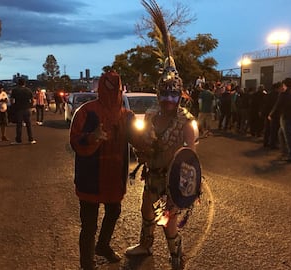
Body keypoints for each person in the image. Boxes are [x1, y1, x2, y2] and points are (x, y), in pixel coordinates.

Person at [125, 1, 197, 269]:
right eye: (164, 92)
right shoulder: (153, 114)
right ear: (158, 92)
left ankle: (176, 258)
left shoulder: (187, 122)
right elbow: (144, 140)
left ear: (180, 94)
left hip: (173, 181)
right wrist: (142, 148)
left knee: (169, 221)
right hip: (152, 175)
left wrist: (179, 189)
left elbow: (190, 159)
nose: (169, 98)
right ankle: (145, 245)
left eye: (173, 93)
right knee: (146, 211)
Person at [70, 70, 135, 270]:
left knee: (113, 211)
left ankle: (103, 246)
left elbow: (138, 140)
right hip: (91, 176)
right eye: (109, 85)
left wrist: (151, 140)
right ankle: (86, 263)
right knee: (89, 225)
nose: (112, 90)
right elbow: (75, 140)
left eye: (116, 86)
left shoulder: (126, 115)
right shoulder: (86, 111)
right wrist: (92, 137)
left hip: (114, 175)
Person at [268, 78, 291, 163]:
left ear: (285, 84)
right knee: (281, 133)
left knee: (288, 138)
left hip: (285, 117)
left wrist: (271, 114)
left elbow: (277, 105)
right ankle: (284, 151)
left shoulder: (283, 94)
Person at [10, 77, 36, 144]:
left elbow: (12, 101)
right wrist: (31, 106)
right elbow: (32, 100)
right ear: (24, 83)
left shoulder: (15, 90)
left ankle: (18, 140)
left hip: (18, 109)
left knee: (19, 125)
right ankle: (31, 139)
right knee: (29, 125)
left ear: (18, 83)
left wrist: (13, 106)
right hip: (27, 109)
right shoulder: (28, 90)